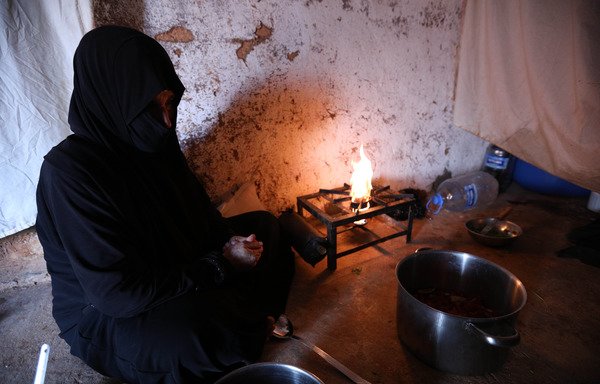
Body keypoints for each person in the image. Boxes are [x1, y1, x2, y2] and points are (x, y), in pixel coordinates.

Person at [35, 25, 295, 384]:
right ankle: (244, 321)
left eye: (170, 102)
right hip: (107, 312)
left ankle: (243, 320)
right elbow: (118, 294)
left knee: (266, 228)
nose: (166, 122)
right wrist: (218, 267)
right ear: (110, 100)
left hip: (173, 264)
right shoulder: (69, 175)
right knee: (192, 337)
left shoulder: (155, 143)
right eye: (149, 108)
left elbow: (200, 213)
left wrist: (229, 242)